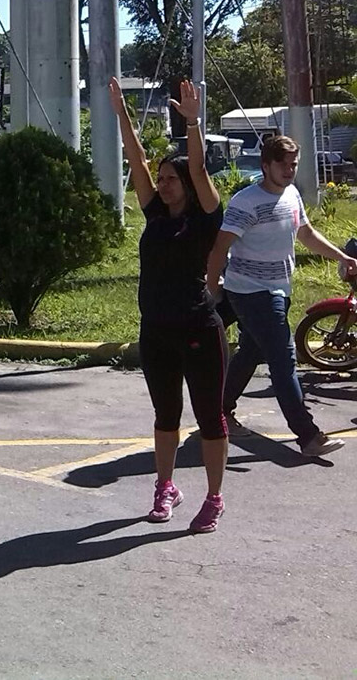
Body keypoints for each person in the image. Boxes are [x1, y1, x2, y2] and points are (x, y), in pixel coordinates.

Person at [111, 77, 228, 532]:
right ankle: (166, 487)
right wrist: (122, 112)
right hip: (155, 331)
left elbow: (199, 170)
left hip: (198, 329)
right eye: (160, 179)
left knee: (210, 417)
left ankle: (214, 497)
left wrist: (194, 123)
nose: (162, 185)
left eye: (170, 179)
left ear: (187, 184)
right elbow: (134, 159)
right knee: (165, 415)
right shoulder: (155, 213)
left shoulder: (205, 218)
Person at [207, 134, 357, 457]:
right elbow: (220, 246)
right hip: (250, 292)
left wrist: (340, 257)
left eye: (294, 164)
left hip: (279, 289)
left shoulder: (291, 195)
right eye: (283, 165)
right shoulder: (245, 202)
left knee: (250, 351)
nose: (290, 171)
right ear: (266, 166)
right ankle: (309, 435)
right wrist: (212, 286)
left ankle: (218, 411)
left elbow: (305, 233)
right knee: (283, 358)